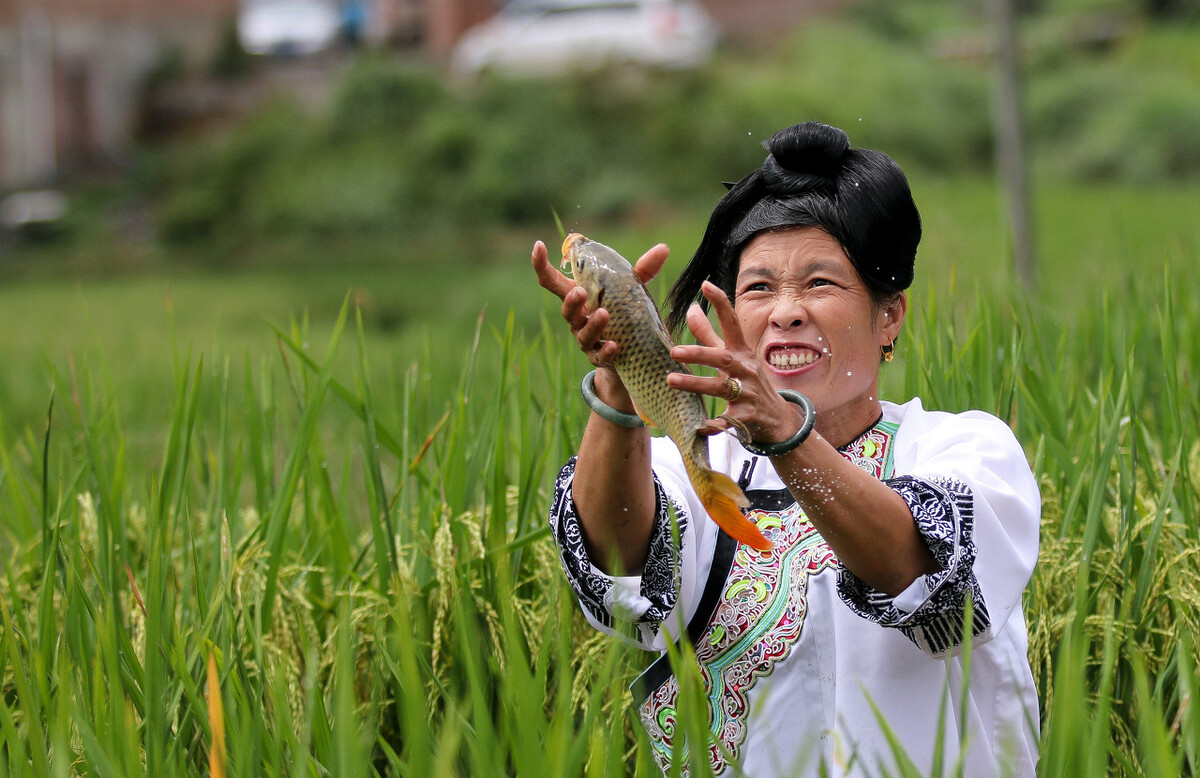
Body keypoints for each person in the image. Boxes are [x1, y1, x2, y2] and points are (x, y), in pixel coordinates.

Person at [531, 121, 1040, 778]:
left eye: (821, 284)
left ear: (890, 316)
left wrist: (784, 435)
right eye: (760, 288)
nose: (787, 312)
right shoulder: (690, 469)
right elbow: (614, 562)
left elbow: (914, 567)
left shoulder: (964, 453)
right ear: (725, 317)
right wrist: (619, 372)